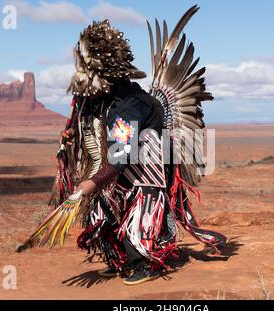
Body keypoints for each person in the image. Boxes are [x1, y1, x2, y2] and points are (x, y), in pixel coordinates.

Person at [27, 6, 227, 286]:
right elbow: (89, 119)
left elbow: (121, 156)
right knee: (102, 206)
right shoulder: (99, 97)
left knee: (135, 207)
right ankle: (119, 258)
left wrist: (84, 188)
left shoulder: (128, 105)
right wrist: (73, 134)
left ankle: (146, 260)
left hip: (145, 173)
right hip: (119, 167)